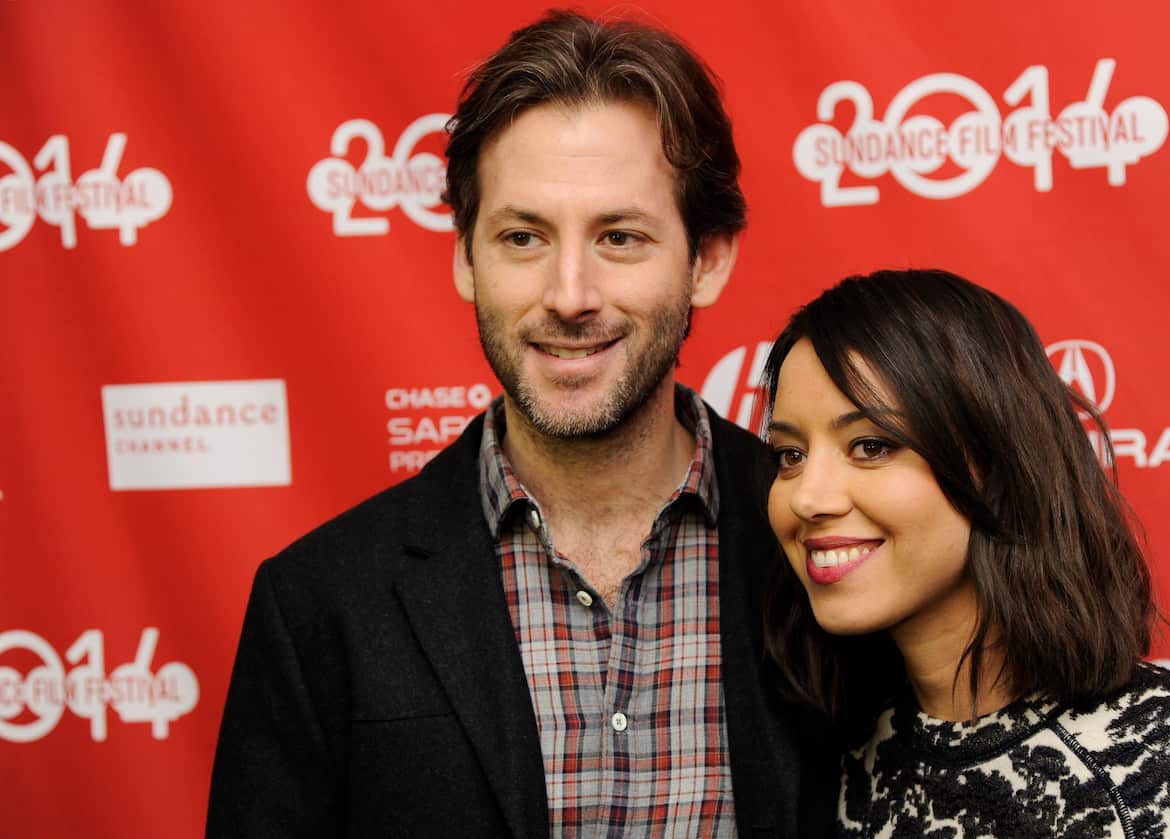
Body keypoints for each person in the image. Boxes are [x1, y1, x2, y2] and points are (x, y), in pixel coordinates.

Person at [207, 10, 832, 838]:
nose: (570, 294)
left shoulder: (826, 545)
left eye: (619, 236)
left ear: (707, 259)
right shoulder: (320, 603)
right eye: (523, 236)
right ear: (466, 257)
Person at [761, 268, 1170, 837]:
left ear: (998, 464)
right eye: (790, 455)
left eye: (871, 446)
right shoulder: (821, 762)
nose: (807, 497)